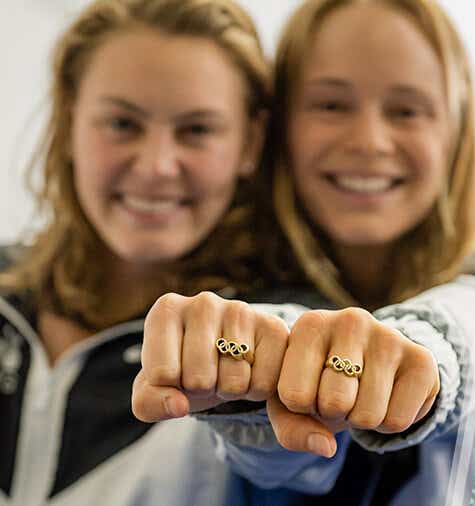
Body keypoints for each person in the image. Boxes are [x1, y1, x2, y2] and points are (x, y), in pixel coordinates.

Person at [132, 1, 475, 504]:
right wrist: (250, 396)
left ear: (456, 131)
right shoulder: (210, 288)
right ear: (278, 127)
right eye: (331, 105)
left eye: (407, 110)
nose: (370, 142)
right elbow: (275, 464)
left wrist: (428, 357)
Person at [0, 0, 274, 503]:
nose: (156, 167)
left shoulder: (268, 334)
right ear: (69, 120)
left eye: (196, 130)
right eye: (123, 124)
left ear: (250, 143)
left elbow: (300, 465)